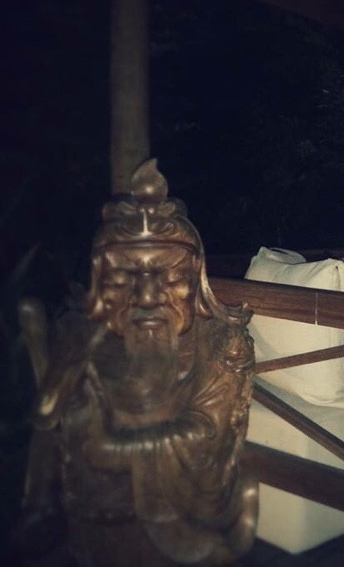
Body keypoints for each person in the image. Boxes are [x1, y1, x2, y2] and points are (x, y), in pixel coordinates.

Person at [16, 159, 258, 566]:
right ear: (101, 284)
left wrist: (116, 446)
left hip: (184, 510)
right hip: (99, 515)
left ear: (196, 280)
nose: (146, 297)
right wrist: (65, 368)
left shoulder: (219, 343)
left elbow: (209, 433)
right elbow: (53, 417)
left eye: (170, 277)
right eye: (124, 278)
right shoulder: (89, 338)